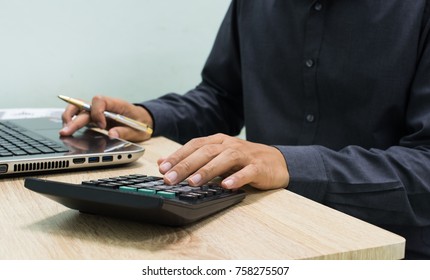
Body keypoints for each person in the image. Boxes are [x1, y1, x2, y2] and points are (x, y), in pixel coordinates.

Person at [60, 1, 430, 259]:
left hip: (389, 251)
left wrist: (290, 164)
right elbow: (221, 96)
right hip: (263, 231)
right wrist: (146, 117)